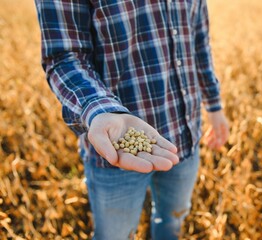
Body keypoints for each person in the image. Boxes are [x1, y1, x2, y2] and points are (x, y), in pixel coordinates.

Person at [35, 0, 229, 239]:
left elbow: (199, 42)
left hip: (184, 133)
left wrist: (214, 104)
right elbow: (64, 56)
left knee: (173, 219)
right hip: (114, 149)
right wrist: (103, 110)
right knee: (115, 235)